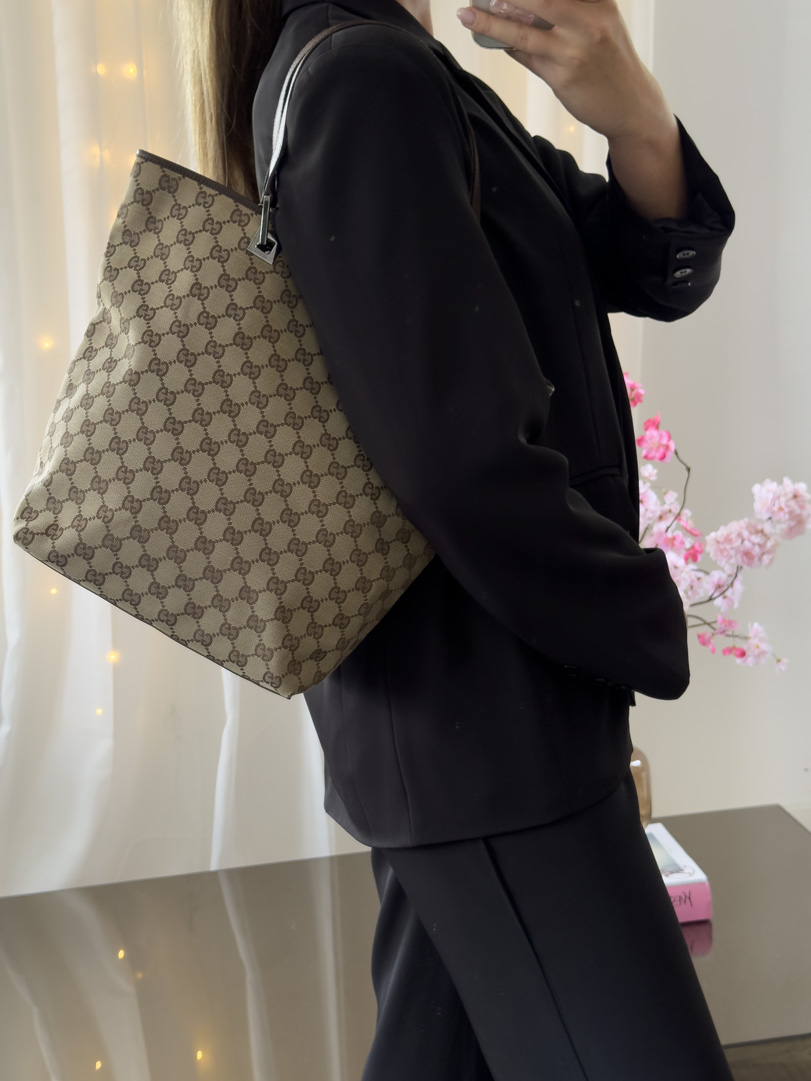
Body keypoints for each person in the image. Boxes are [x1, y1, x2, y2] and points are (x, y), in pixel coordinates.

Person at [176, 0, 737, 1076]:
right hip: (494, 730)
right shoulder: (364, 74)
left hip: (461, 726)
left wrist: (637, 121)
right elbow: (457, 461)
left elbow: (638, 264)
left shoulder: (388, 65)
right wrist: (636, 612)